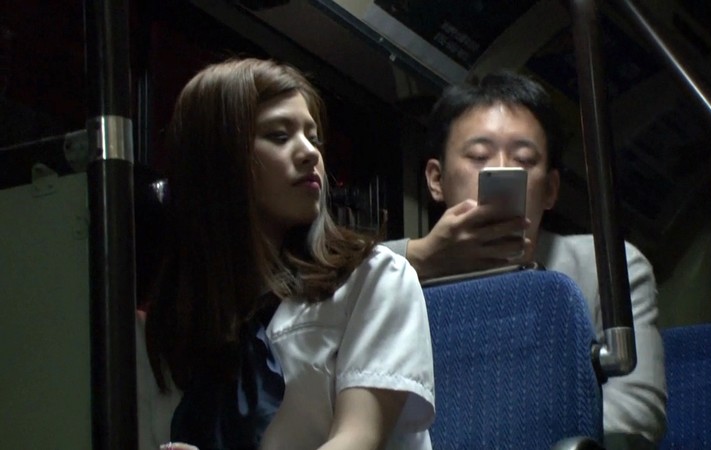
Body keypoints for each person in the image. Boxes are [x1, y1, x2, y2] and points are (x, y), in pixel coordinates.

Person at [138, 58, 435, 450]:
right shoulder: (169, 328)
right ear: (218, 159)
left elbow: (359, 438)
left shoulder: (375, 279)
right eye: (279, 136)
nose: (310, 153)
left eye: (314, 138)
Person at [383, 70, 666, 448]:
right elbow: (324, 281)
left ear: (550, 189)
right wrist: (423, 258)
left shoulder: (609, 268)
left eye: (525, 159)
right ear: (436, 179)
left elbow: (636, 410)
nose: (503, 170)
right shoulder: (400, 276)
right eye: (479, 156)